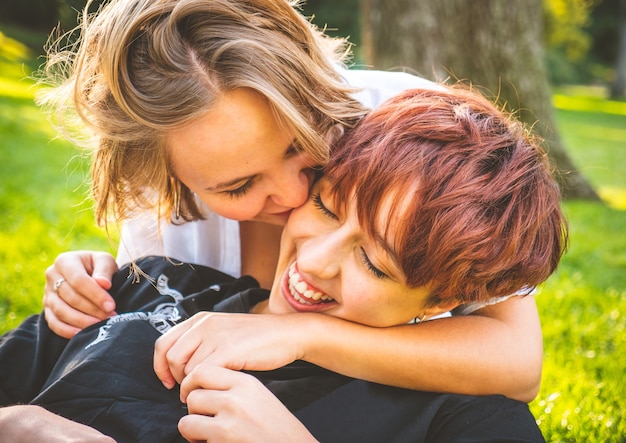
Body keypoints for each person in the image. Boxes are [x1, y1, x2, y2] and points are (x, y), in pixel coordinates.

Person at [40, 0, 544, 401]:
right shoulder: (158, 193)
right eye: (237, 186)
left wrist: (303, 336)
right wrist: (97, 282)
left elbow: (516, 365)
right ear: (168, 176)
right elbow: (146, 327)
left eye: (300, 145)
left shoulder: (403, 130)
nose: (294, 194)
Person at [0, 86, 563, 442]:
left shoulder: (457, 413)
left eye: (373, 262)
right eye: (324, 205)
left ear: (444, 300)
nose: (313, 259)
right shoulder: (151, 288)